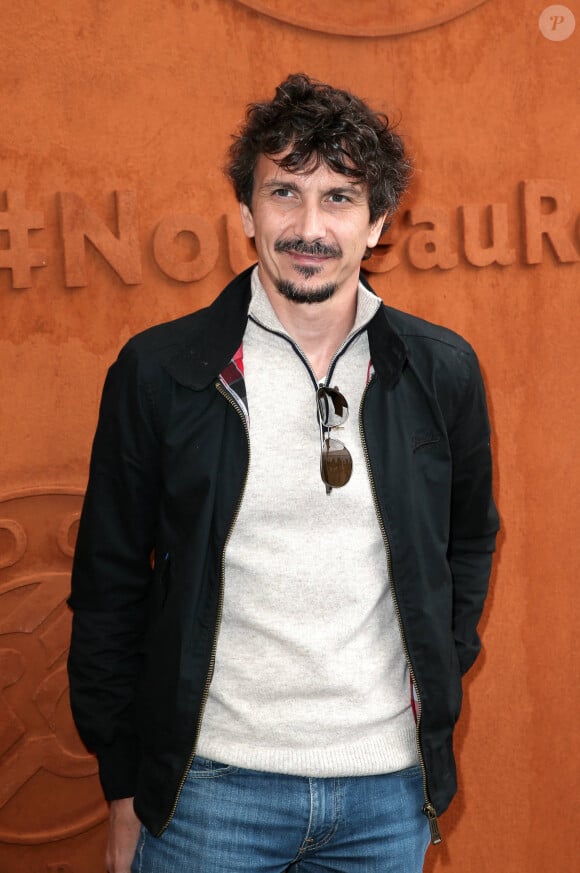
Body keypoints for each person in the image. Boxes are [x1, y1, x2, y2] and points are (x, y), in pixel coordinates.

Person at [67, 73, 499, 873]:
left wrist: (439, 657)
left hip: (386, 795)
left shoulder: (440, 371)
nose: (309, 226)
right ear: (246, 214)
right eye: (285, 192)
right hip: (206, 793)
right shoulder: (162, 371)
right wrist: (124, 787)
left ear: (377, 224)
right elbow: (108, 586)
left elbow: (468, 541)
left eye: (339, 197)